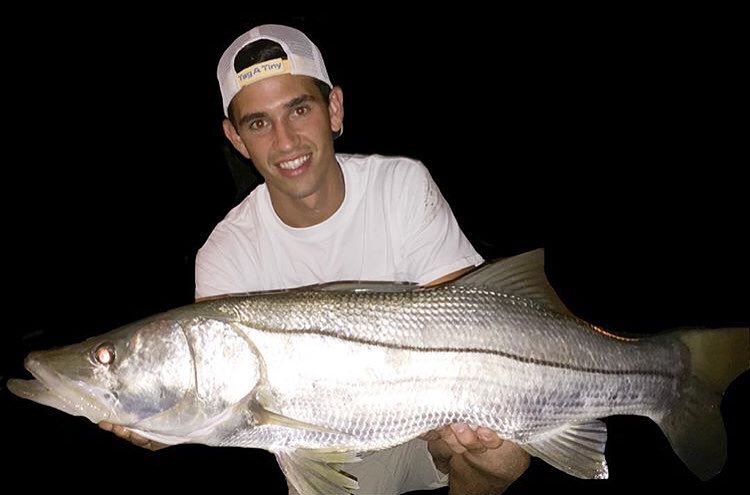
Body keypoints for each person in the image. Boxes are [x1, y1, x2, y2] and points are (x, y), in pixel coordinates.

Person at [102, 23, 529, 494]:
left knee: (501, 451)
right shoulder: (227, 255)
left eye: (299, 109)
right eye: (258, 122)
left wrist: (449, 407)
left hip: (429, 422)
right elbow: (224, 404)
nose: (285, 141)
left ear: (334, 109)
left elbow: (472, 314)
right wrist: (166, 423)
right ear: (237, 139)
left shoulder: (400, 186)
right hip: (326, 448)